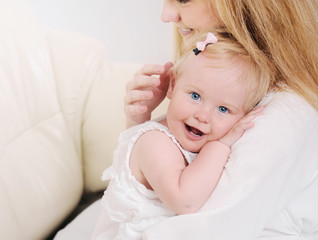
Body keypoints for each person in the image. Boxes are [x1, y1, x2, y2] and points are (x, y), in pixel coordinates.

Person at [124, 0, 318, 239]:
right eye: (195, 95)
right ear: (173, 84)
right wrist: (139, 123)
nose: (166, 15)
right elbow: (166, 192)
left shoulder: (283, 116)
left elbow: (202, 226)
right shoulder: (217, 85)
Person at [91, 30, 267, 240]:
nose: (203, 116)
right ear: (173, 85)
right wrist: (221, 144)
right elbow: (184, 201)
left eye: (223, 109)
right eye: (195, 96)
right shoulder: (154, 141)